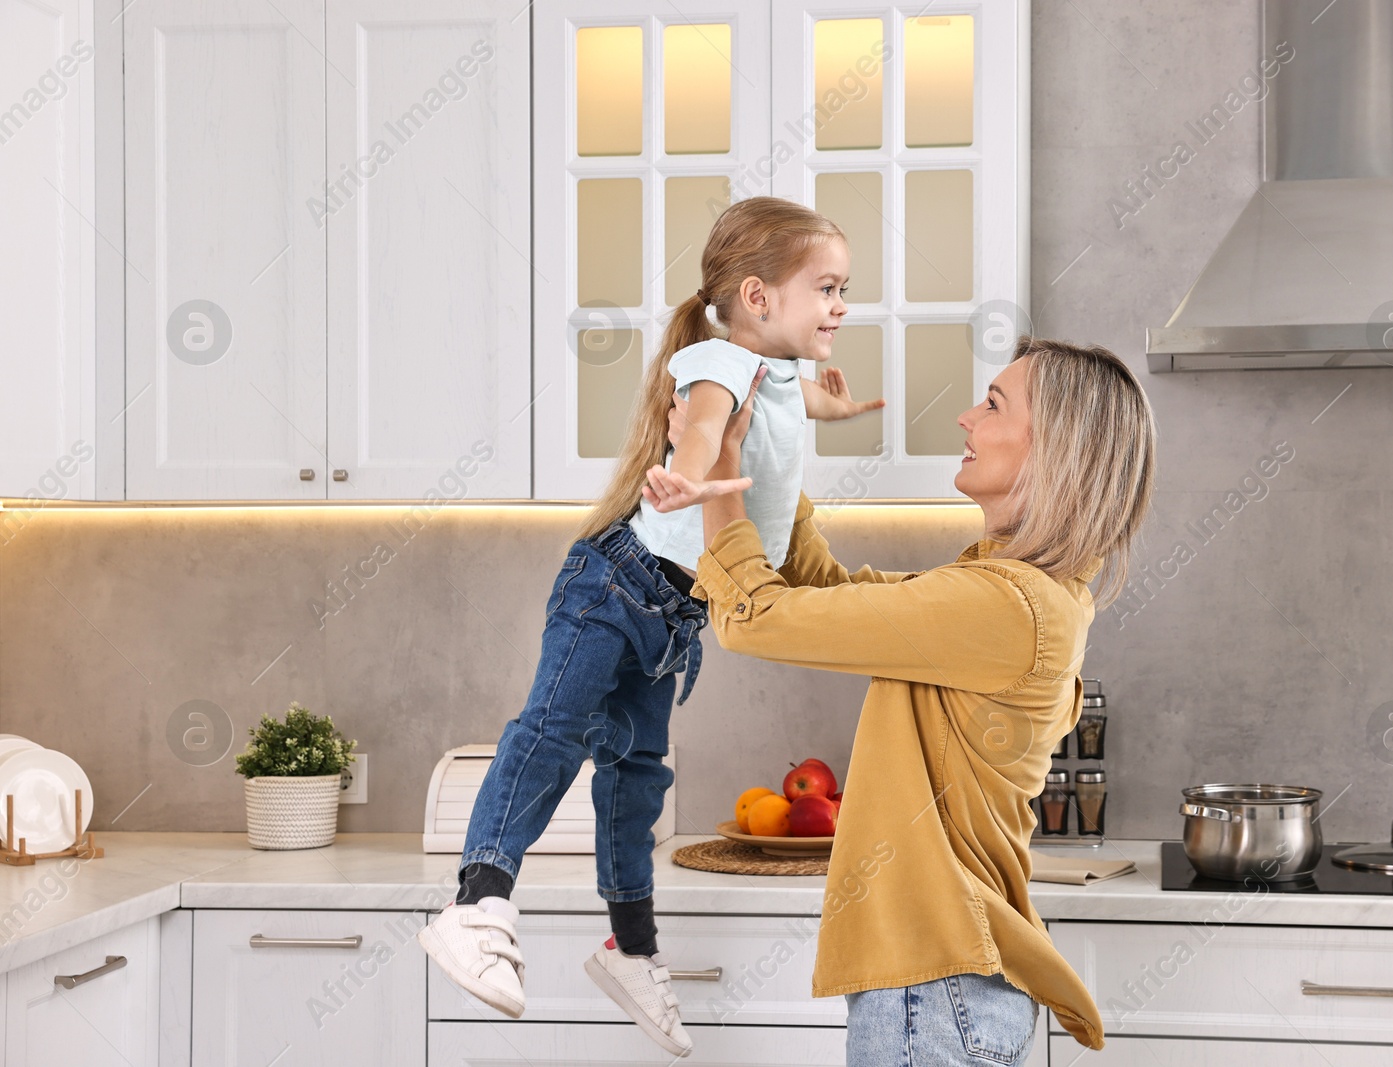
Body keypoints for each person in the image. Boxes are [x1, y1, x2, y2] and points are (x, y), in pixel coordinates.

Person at [419, 196, 882, 1056]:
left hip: (674, 616)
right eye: (826, 288)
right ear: (757, 296)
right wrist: (688, 478)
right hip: (613, 589)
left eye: (842, 289)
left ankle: (630, 949)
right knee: (550, 735)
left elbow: (787, 411)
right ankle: (475, 903)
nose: (841, 305)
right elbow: (703, 426)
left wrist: (836, 411)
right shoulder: (716, 362)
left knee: (637, 777)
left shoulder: (773, 370)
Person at [649, 336, 1156, 1064]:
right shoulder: (1009, 597)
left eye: (993, 404)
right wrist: (766, 453)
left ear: (1056, 450)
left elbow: (754, 615)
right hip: (945, 990)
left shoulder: (1008, 608)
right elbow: (825, 589)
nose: (965, 417)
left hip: (937, 989)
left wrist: (722, 478)